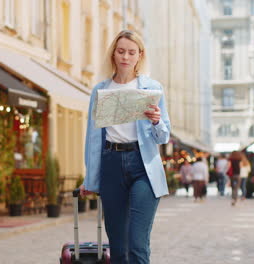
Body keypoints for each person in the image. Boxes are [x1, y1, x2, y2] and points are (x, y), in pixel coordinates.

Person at [79, 30, 170, 263]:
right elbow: (93, 139)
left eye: (131, 52)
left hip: (143, 166)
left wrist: (157, 120)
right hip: (111, 164)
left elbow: (163, 138)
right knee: (118, 248)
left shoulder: (151, 88)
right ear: (113, 54)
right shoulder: (101, 90)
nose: (125, 57)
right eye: (121, 51)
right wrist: (90, 177)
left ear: (140, 55)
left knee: (137, 245)